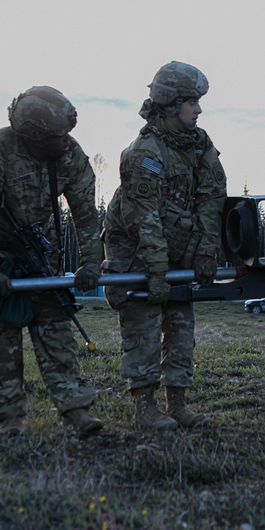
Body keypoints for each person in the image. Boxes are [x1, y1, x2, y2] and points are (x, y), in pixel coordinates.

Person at [0, 86, 104, 437]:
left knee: (58, 334)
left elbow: (86, 214)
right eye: (57, 137)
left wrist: (91, 262)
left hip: (38, 257)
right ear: (34, 136)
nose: (67, 142)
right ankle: (10, 417)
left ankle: (76, 410)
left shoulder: (70, 155)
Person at [102, 62, 226, 430]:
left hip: (178, 245)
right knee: (143, 323)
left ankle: (179, 403)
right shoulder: (145, 153)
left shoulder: (199, 143)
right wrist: (156, 272)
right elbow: (145, 220)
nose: (199, 110)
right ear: (170, 103)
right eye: (192, 102)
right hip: (138, 250)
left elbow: (211, 196)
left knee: (180, 324)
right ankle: (145, 407)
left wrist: (206, 250)